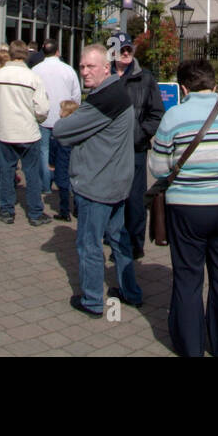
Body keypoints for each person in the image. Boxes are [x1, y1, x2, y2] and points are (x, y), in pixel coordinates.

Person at [149, 58, 218, 357]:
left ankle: (190, 346)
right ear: (215, 85)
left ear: (183, 88)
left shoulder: (173, 118)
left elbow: (159, 169)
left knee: (187, 278)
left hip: (188, 207)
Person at [53, 44, 141, 318]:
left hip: (97, 185)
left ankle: (92, 300)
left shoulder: (104, 99)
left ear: (107, 68)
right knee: (118, 239)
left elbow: (61, 131)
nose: (85, 71)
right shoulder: (115, 93)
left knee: (89, 244)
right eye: (82, 66)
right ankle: (130, 291)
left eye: (91, 66)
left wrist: (77, 123)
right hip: (116, 183)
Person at [110, 33, 165, 259]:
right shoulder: (105, 77)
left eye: (128, 49)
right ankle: (114, 240)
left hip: (135, 149)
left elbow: (156, 112)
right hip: (109, 150)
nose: (125, 53)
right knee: (112, 197)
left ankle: (134, 243)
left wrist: (141, 135)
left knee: (135, 199)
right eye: (121, 49)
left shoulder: (145, 78)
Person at [0, 40, 51, 225]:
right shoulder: (33, 78)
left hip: (7, 132)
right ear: (26, 55)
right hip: (29, 132)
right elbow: (42, 108)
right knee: (32, 174)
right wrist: (37, 120)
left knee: (7, 172)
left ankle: (6, 210)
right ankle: (36, 213)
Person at [32, 39, 81, 221]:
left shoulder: (36, 70)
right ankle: (68, 191)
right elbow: (76, 95)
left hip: (44, 117)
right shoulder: (68, 70)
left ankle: (46, 185)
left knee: (45, 153)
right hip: (65, 118)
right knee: (69, 158)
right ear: (58, 51)